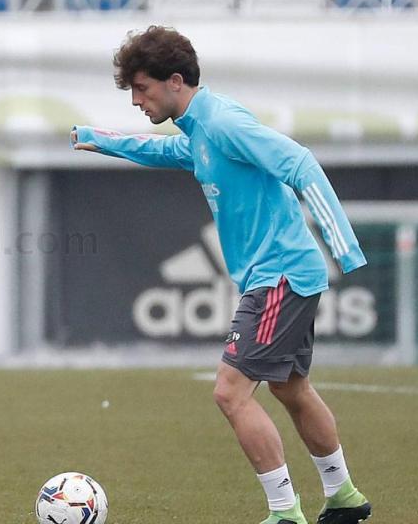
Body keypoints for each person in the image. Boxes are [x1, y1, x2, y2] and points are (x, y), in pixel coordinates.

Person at [71, 26, 372, 524]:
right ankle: (343, 496)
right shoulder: (199, 128)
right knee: (291, 388)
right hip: (279, 276)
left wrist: (343, 244)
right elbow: (167, 152)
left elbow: (299, 162)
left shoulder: (223, 121)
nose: (136, 101)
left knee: (230, 393)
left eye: (141, 89)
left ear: (174, 81)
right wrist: (98, 139)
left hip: (279, 277)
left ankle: (285, 512)